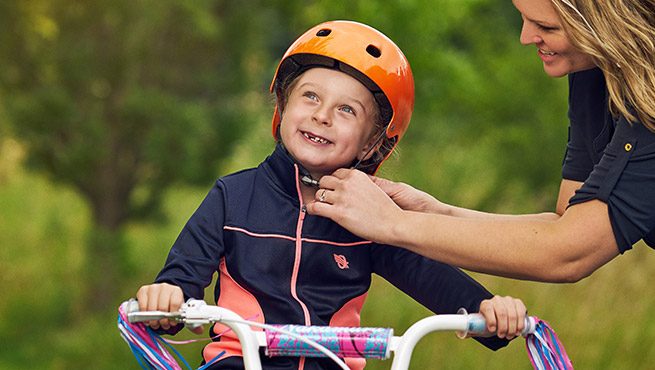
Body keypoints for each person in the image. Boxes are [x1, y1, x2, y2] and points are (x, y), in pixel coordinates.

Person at [136, 20, 528, 370]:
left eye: (346, 110)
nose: (322, 115)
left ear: (372, 144)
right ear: (282, 106)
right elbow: (181, 281)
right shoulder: (232, 196)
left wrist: (488, 312)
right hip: (242, 362)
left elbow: (430, 275)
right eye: (310, 97)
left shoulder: (370, 217)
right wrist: (166, 300)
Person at [307, 0, 655, 283]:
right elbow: (566, 220)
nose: (525, 37)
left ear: (606, 23)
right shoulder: (593, 69)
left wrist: (389, 224)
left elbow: (568, 253)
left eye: (547, 27)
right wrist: (439, 212)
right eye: (523, 17)